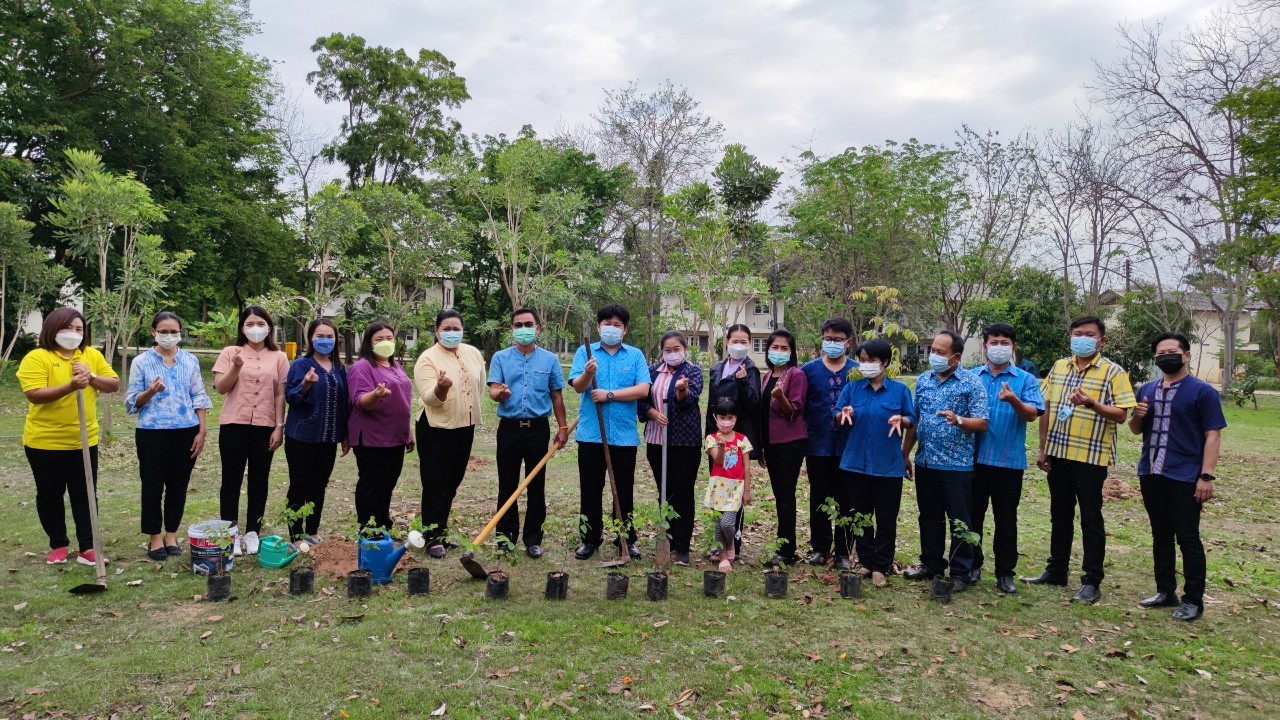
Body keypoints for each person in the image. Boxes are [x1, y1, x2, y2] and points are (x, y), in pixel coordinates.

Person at [1025, 315, 1136, 605]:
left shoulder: (1114, 372)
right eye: (1077, 333)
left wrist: (1092, 403)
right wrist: (1043, 447)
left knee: (1090, 518)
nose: (1082, 338)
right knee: (1059, 515)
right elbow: (1045, 407)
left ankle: (1091, 581)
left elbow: (1123, 415)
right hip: (1058, 454)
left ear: (1102, 340)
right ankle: (1057, 570)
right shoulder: (1060, 366)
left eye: (1088, 334)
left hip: (1090, 457)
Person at [1128, 333, 1225, 621]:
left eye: (1172, 351)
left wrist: (1206, 476)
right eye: (1160, 353)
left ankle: (1193, 600)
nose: (1165, 356)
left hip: (1185, 476)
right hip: (1151, 471)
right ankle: (1165, 591)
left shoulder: (1202, 392)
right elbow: (1135, 429)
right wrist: (1138, 415)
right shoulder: (1146, 389)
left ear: (1187, 355)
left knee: (1187, 537)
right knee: (1160, 534)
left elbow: (1213, 434)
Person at [18, 307, 119, 566]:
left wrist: (90, 376)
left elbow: (113, 384)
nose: (73, 334)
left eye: (79, 329)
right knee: (50, 494)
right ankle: (58, 544)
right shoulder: (37, 357)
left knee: (85, 493)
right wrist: (71, 386)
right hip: (44, 441)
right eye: (67, 328)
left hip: (84, 440)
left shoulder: (91, 355)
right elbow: (35, 394)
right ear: (53, 329)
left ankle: (88, 547)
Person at [902, 330, 989, 590]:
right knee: (929, 516)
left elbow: (982, 422)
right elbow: (915, 421)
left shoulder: (971, 383)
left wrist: (959, 420)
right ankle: (931, 564)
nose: (934, 356)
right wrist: (905, 453)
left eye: (941, 352)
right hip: (926, 462)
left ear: (956, 357)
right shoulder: (924, 380)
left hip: (956, 465)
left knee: (959, 519)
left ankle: (962, 572)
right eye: (933, 351)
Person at [125, 311, 212, 560]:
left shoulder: (190, 361)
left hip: (186, 431)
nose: (169, 336)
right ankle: (154, 537)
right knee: (152, 485)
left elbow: (199, 396)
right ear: (153, 332)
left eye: (174, 331)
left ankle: (171, 533)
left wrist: (202, 430)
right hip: (152, 432)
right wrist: (151, 391)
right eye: (163, 331)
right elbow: (132, 402)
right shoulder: (141, 362)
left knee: (178, 485)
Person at [569, 304, 651, 560]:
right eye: (607, 324)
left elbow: (643, 390)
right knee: (591, 488)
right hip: (591, 435)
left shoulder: (635, 355)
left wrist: (610, 395)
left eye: (617, 325)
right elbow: (578, 387)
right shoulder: (586, 353)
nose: (611, 329)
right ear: (598, 327)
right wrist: (587, 373)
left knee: (624, 489)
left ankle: (626, 537)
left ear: (624, 330)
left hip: (624, 436)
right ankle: (590, 539)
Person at [834, 338, 915, 588]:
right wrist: (843, 414)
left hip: (887, 466)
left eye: (872, 360)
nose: (866, 365)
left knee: (886, 518)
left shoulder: (900, 391)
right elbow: (837, 414)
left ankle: (882, 565)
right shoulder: (853, 388)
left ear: (885, 362)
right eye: (863, 360)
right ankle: (867, 561)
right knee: (861, 515)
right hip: (855, 463)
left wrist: (901, 420)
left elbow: (911, 419)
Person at [488, 308, 568, 558]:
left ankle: (533, 539)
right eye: (518, 324)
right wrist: (499, 394)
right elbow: (492, 391)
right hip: (509, 430)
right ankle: (505, 538)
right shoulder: (500, 358)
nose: (523, 328)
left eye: (528, 324)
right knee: (507, 484)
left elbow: (556, 395)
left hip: (538, 430)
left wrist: (563, 428)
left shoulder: (550, 360)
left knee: (536, 485)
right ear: (512, 329)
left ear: (538, 329)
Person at [970, 323, 1044, 594]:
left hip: (1008, 462)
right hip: (974, 461)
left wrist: (1013, 400)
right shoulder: (971, 377)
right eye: (993, 342)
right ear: (984, 345)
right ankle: (972, 566)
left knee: (1006, 520)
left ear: (1013, 347)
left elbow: (1032, 414)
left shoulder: (1025, 380)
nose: (998, 347)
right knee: (972, 517)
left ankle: (1005, 573)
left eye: (1004, 342)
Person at [213, 305, 288, 556]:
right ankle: (230, 532)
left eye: (260, 323)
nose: (255, 328)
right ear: (242, 327)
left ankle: (253, 532)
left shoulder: (278, 357)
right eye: (250, 324)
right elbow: (221, 387)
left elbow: (280, 394)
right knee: (231, 481)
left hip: (265, 426)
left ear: (268, 327)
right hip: (234, 423)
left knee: (259, 480)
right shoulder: (230, 352)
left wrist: (279, 427)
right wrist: (235, 367)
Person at [414, 310, 486, 557]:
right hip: (435, 428)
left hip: (464, 426)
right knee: (435, 483)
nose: (452, 333)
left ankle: (441, 532)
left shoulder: (473, 353)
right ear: (437, 331)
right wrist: (441, 388)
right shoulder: (427, 358)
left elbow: (480, 387)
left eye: (456, 328)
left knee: (453, 482)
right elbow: (428, 399)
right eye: (447, 328)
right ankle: (432, 538)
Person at [639, 331, 704, 566]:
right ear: (662, 351)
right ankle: (666, 540)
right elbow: (643, 399)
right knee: (665, 493)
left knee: (683, 493)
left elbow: (689, 400)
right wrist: (652, 412)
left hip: (685, 443)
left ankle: (682, 547)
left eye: (677, 349)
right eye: (668, 350)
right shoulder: (652, 371)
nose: (673, 353)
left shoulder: (693, 372)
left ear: (684, 349)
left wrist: (681, 391)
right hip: (657, 440)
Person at [283, 318, 349, 544]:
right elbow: (290, 397)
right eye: (320, 336)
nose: (325, 340)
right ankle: (295, 534)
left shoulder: (340, 369)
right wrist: (305, 384)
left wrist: (345, 435)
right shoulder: (301, 365)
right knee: (299, 485)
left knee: (319, 485)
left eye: (330, 336)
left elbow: (344, 403)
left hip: (328, 438)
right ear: (311, 338)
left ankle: (312, 530)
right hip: (301, 436)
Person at [800, 317, 858, 567]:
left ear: (848, 342)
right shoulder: (808, 370)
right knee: (819, 498)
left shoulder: (857, 371)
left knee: (848, 498)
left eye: (837, 339)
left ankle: (843, 552)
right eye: (827, 339)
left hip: (849, 446)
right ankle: (820, 548)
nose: (832, 343)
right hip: (817, 445)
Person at [348, 322, 414, 535]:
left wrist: (408, 429)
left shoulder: (396, 366)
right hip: (372, 437)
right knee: (372, 484)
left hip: (396, 435)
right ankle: (367, 528)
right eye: (379, 339)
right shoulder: (363, 367)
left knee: (387, 482)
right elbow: (360, 401)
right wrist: (376, 395)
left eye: (389, 338)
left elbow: (403, 400)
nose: (385, 342)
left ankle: (383, 525)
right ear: (369, 342)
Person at [704, 324, 761, 561]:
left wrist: (742, 382)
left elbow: (754, 404)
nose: (739, 345)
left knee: (734, 490)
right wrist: (709, 438)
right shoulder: (717, 368)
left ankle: (732, 545)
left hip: (736, 441)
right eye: (734, 340)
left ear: (749, 343)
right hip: (717, 438)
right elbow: (710, 405)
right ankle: (718, 544)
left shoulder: (750, 369)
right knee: (719, 486)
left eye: (744, 341)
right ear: (726, 341)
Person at [759, 328, 808, 567]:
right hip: (771, 444)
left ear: (791, 351)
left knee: (786, 496)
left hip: (790, 444)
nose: (779, 352)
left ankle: (787, 550)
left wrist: (780, 398)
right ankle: (783, 545)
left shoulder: (796, 375)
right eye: (775, 347)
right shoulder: (767, 376)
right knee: (779, 495)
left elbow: (793, 412)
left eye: (784, 348)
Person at [704, 398, 753, 572]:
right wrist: (722, 448)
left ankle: (731, 543)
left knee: (727, 523)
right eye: (722, 417)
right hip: (718, 486)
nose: (726, 421)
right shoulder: (711, 438)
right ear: (715, 417)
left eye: (730, 417)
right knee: (718, 524)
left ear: (736, 418)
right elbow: (718, 461)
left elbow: (747, 466)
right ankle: (723, 556)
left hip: (735, 488)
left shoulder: (742, 440)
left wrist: (746, 491)